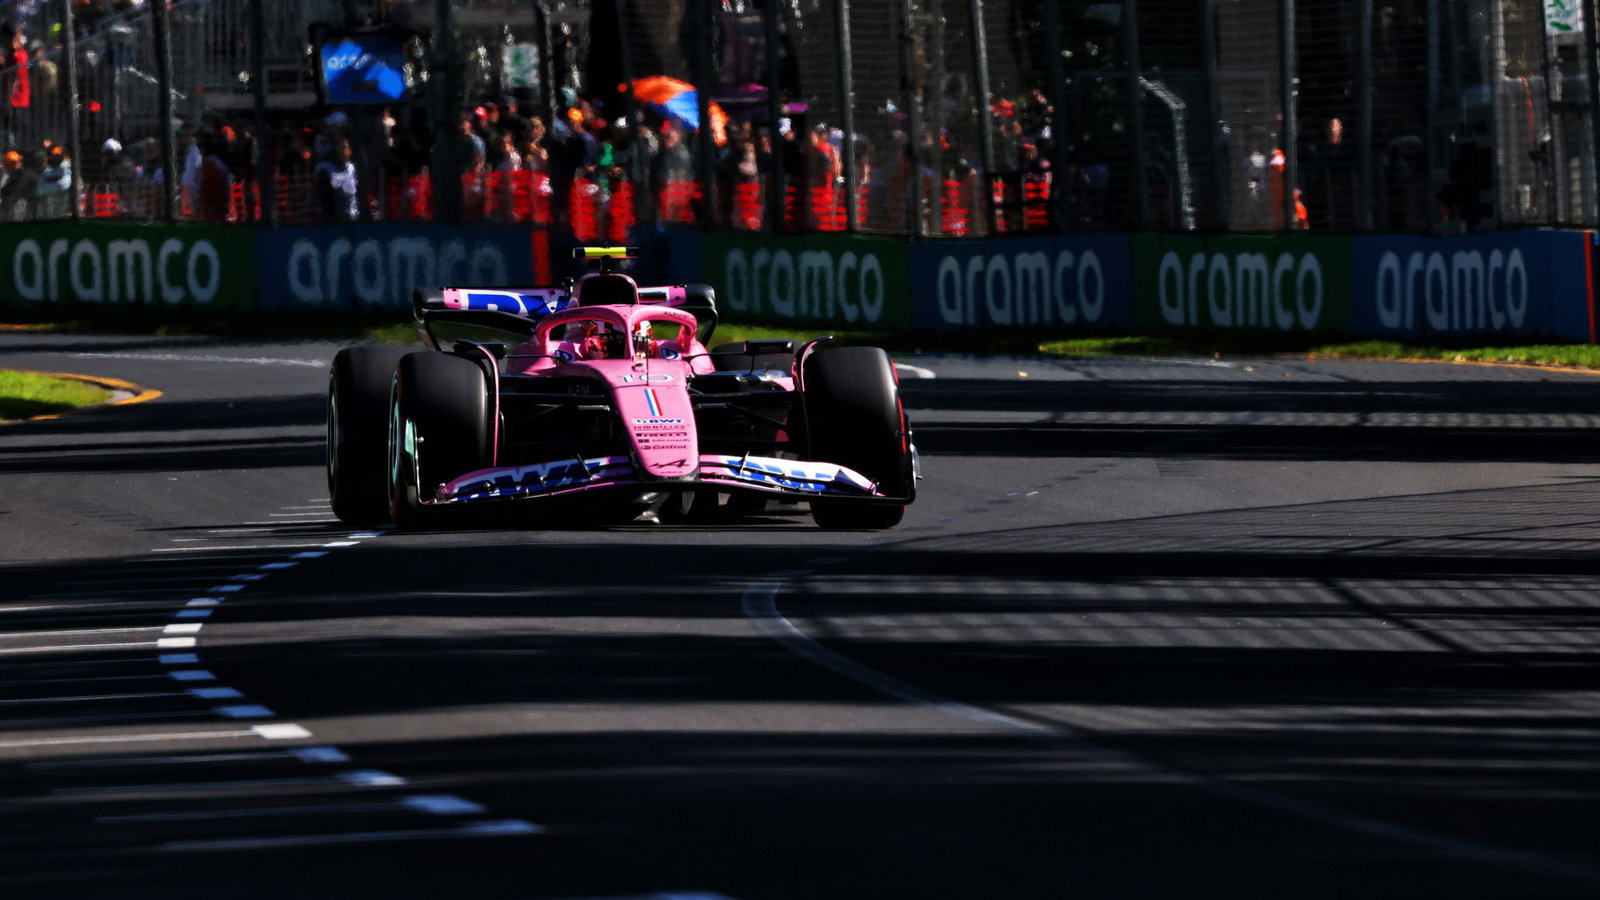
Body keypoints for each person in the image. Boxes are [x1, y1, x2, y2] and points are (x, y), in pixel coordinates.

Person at [314, 136, 358, 221]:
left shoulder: (354, 169)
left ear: (350, 151)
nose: (340, 151)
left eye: (344, 147)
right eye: (338, 147)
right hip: (334, 220)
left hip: (355, 219)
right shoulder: (325, 170)